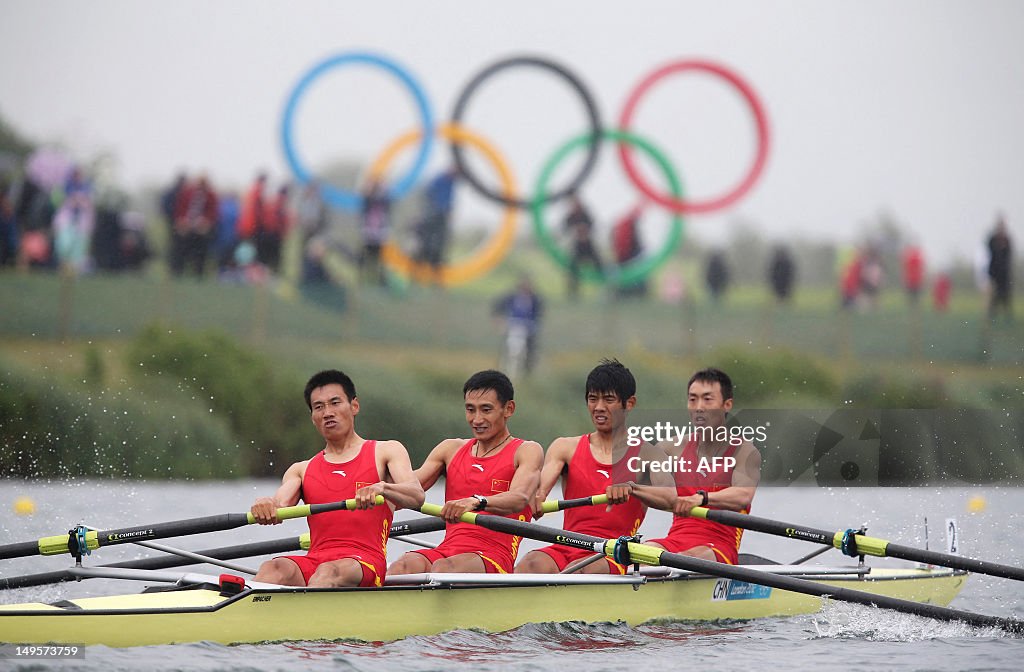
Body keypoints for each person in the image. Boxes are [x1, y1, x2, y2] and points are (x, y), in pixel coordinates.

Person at [250, 369, 425, 588]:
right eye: (319, 407)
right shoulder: (301, 469)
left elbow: (417, 495)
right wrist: (265, 504)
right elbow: (280, 504)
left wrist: (383, 489)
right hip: (316, 559)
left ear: (354, 406)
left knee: (329, 571)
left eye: (335, 403)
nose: (327, 413)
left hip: (365, 562)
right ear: (313, 418)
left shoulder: (386, 451)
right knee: (274, 568)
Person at [515, 359, 670, 574]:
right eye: (592, 399)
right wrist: (536, 498)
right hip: (568, 546)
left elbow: (672, 499)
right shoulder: (564, 447)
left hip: (614, 554)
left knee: (581, 570)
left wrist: (633, 489)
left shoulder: (649, 454)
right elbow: (539, 490)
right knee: (530, 563)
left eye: (608, 400)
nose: (598, 407)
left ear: (630, 403)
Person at [388, 370, 543, 575]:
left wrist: (476, 501)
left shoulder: (526, 451)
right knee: (403, 565)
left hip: (492, 557)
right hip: (447, 551)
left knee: (443, 569)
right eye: (470, 410)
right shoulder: (449, 449)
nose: (477, 419)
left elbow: (519, 498)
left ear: (508, 409)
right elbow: (408, 492)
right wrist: (380, 490)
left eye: (486, 410)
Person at [606, 367, 761, 565]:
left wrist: (702, 499)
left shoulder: (745, 451)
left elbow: (742, 496)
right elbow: (636, 481)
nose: (699, 407)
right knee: (641, 555)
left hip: (718, 547)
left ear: (727, 405)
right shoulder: (670, 448)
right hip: (675, 540)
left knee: (684, 559)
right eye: (692, 399)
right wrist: (628, 487)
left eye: (707, 399)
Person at [492, 276, 544, 375]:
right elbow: (498, 307)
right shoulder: (512, 297)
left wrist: (533, 327)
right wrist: (499, 321)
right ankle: (504, 370)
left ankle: (526, 371)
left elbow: (538, 316)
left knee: (527, 352)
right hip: (513, 326)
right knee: (510, 350)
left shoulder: (535, 299)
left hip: (528, 328)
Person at [414, 166, 458, 283]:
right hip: (433, 215)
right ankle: (417, 277)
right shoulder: (439, 180)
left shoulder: (452, 183)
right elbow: (428, 194)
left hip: (441, 217)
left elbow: (450, 201)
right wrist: (435, 208)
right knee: (425, 247)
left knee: (439, 249)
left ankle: (436, 279)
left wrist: (448, 210)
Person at [564, 193, 602, 298]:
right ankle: (573, 292)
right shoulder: (570, 216)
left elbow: (593, 225)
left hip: (588, 244)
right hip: (578, 245)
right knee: (573, 268)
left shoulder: (585, 213)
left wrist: (585, 230)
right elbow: (565, 227)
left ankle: (604, 287)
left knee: (599, 264)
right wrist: (575, 231)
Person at [360, 177, 390, 286]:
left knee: (380, 258)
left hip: (380, 233)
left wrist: (384, 188)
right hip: (369, 232)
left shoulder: (384, 200)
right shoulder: (368, 199)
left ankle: (380, 280)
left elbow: (387, 202)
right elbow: (365, 200)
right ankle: (365, 278)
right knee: (367, 257)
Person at [987, 214, 1013, 319]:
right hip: (994, 273)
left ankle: (1008, 317)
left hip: (1004, 274)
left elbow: (1008, 256)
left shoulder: (1007, 240)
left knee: (1006, 296)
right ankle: (992, 316)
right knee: (994, 296)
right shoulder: (992, 239)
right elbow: (990, 253)